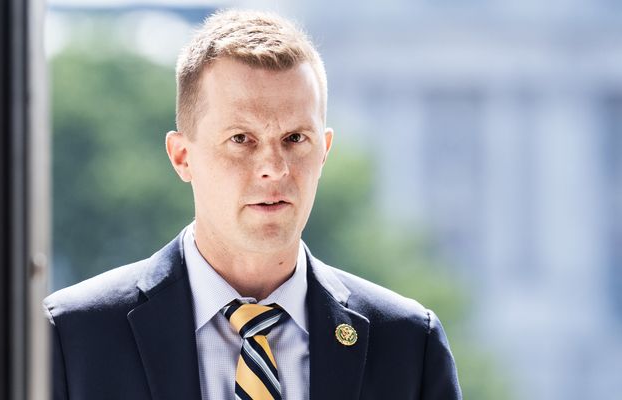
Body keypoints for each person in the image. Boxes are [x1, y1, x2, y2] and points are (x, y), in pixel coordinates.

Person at [45, 9, 461, 400]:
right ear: (182, 156)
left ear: (324, 152)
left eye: (295, 139)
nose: (274, 169)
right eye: (241, 140)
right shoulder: (71, 337)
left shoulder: (408, 345)